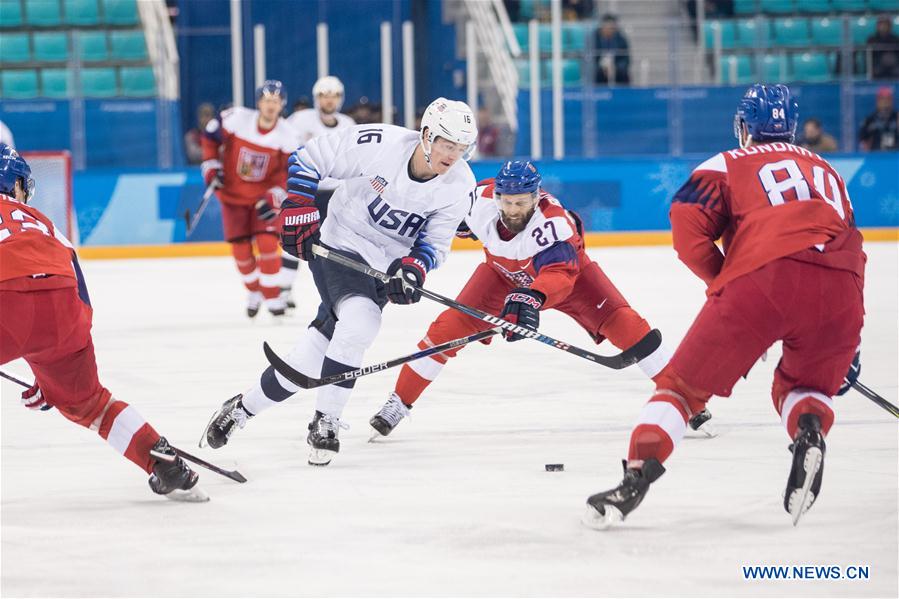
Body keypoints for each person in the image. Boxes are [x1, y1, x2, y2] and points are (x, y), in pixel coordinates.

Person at [583, 84, 865, 529]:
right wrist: (851, 340)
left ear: (744, 126)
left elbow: (687, 230)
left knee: (679, 390)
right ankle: (809, 432)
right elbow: (852, 243)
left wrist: (727, 282)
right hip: (841, 289)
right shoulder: (828, 170)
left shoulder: (726, 162)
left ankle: (634, 478)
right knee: (805, 387)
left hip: (762, 280)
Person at [200, 98, 479, 467]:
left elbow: (434, 243)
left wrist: (414, 269)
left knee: (314, 354)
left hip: (384, 267)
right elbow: (308, 157)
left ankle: (241, 408)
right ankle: (325, 421)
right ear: (427, 135)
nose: (453, 155)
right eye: (447, 144)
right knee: (361, 321)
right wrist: (299, 206)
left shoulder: (460, 185)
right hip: (342, 241)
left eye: (461, 148)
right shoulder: (381, 144)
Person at [368, 160, 714, 439]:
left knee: (629, 326)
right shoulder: (476, 201)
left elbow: (560, 275)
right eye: (506, 201)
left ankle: (687, 400)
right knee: (445, 331)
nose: (512, 209)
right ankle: (399, 403)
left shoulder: (555, 224)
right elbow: (438, 224)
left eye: (521, 202)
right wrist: (411, 264)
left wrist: (531, 297)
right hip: (500, 275)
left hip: (572, 281)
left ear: (536, 197)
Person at [0, 144, 206, 502]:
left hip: (7, 298)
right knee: (90, 403)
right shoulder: (43, 222)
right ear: (14, 184)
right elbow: (77, 286)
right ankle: (162, 462)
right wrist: (56, 368)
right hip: (64, 309)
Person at [201, 80, 295, 318]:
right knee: (241, 251)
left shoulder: (288, 135)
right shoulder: (237, 119)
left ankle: (272, 296)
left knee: (267, 243)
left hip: (263, 199)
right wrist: (211, 168)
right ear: (259, 102)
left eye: (276, 101)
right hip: (232, 196)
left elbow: (289, 173)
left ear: (282, 104)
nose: (271, 105)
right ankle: (254, 291)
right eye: (267, 100)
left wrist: (274, 196)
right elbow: (210, 137)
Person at [279, 76, 357, 310]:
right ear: (316, 98)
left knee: (338, 244)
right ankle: (283, 290)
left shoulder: (348, 124)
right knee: (297, 237)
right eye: (324, 95)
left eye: (334, 96)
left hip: (336, 195)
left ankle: (341, 292)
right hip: (306, 191)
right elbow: (281, 143)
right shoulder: (300, 121)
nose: (329, 100)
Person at [858, 86, 898, 151]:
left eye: (888, 99)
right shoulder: (870, 120)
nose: (885, 102)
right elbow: (863, 141)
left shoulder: (897, 117)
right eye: (882, 99)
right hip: (876, 154)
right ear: (877, 101)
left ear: (891, 101)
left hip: (896, 154)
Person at [594, 14, 630, 85]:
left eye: (611, 28)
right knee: (596, 73)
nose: (609, 30)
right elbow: (590, 59)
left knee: (623, 73)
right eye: (606, 27)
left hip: (616, 68)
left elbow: (626, 59)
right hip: (600, 69)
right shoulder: (594, 40)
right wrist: (601, 67)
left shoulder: (621, 40)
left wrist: (615, 67)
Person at [866, 16, 899, 80]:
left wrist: (891, 58)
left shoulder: (896, 39)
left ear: (890, 26)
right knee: (877, 70)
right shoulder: (872, 40)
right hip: (878, 65)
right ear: (877, 26)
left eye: (885, 24)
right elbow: (870, 56)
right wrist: (882, 59)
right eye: (881, 24)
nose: (883, 26)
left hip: (893, 66)